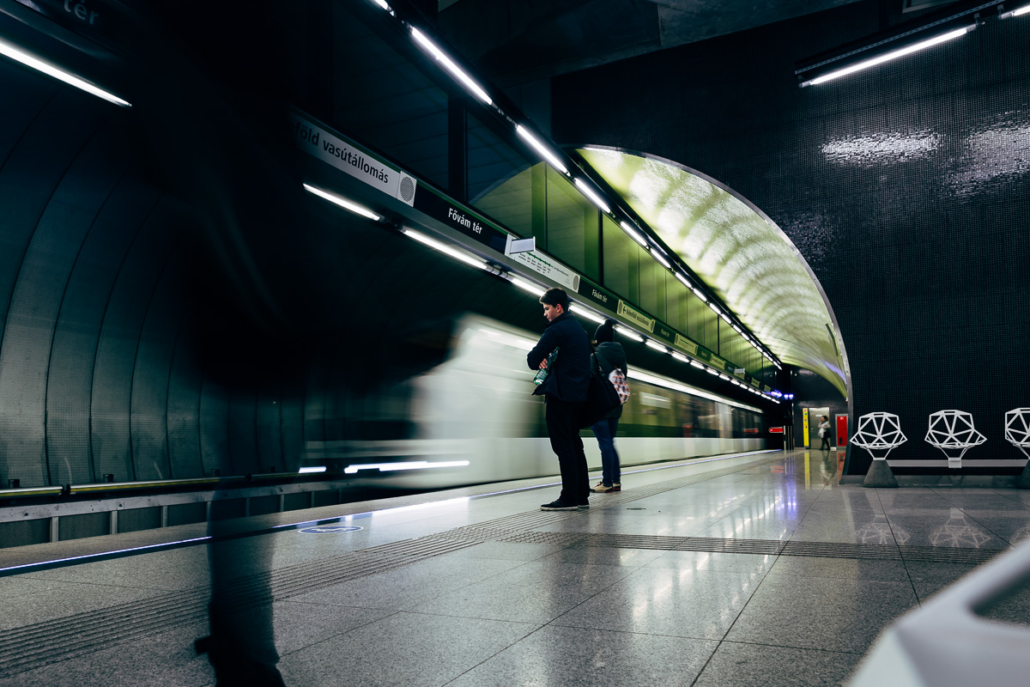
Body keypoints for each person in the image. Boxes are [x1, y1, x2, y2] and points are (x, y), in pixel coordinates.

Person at [527, 287, 592, 511]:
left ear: (558, 308)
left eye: (547, 309)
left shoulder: (557, 329)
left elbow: (532, 359)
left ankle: (568, 497)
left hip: (561, 395)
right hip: (578, 397)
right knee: (574, 443)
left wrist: (542, 358)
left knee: (562, 445)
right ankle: (582, 495)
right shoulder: (579, 330)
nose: (545, 313)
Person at [590, 320, 627, 493]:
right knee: (610, 443)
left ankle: (606, 482)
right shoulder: (621, 357)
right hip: (615, 406)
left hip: (599, 407)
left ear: (598, 339)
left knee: (605, 444)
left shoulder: (594, 356)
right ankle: (616, 481)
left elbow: (589, 380)